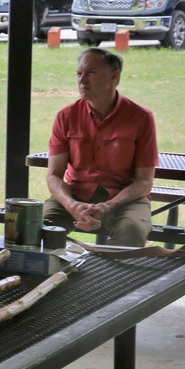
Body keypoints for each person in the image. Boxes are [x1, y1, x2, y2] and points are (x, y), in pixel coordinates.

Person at [45, 47, 158, 246]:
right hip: (77, 193)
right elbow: (54, 175)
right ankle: (54, 276)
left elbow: (144, 181)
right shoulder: (66, 116)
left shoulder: (141, 117)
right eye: (79, 73)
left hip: (125, 198)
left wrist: (109, 206)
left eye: (91, 72)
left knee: (131, 230)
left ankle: (111, 277)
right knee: (38, 228)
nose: (82, 79)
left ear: (114, 76)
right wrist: (71, 205)